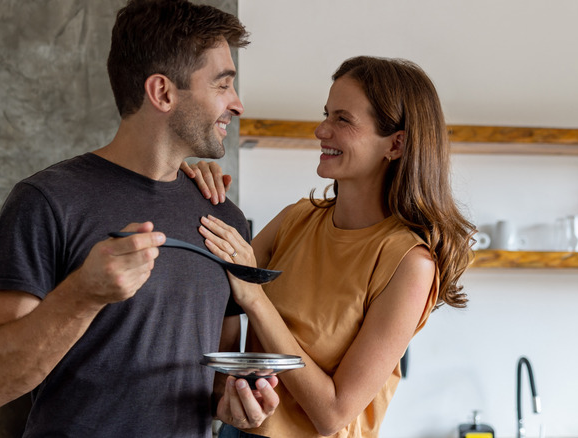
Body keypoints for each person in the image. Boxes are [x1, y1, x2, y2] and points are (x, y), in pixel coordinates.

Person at [0, 1, 279, 436]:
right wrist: (84, 295)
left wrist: (235, 404)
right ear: (162, 92)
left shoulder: (225, 219)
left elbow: (216, 381)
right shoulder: (46, 203)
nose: (237, 104)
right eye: (222, 85)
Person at [184, 56, 475, 437]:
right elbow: (218, 288)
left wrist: (255, 298)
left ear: (396, 144)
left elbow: (333, 414)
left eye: (343, 119)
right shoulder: (297, 218)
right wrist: (200, 190)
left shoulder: (408, 263)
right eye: (326, 114)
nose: (322, 129)